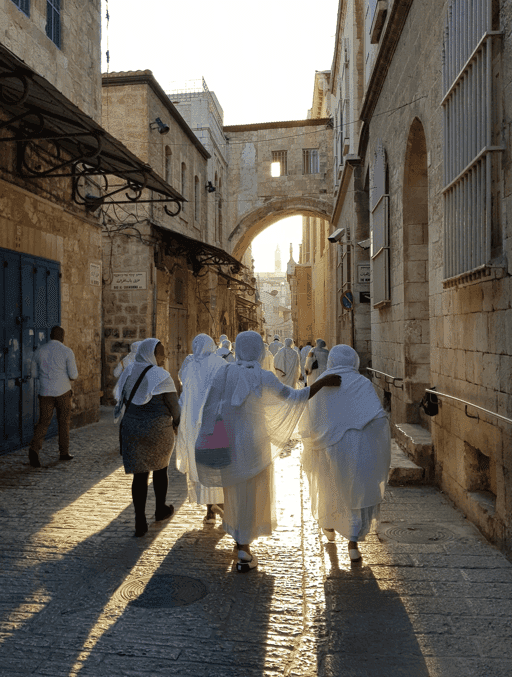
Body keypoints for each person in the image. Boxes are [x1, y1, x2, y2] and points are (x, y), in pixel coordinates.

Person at [195, 331, 341, 572]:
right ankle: (244, 548)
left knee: (234, 491)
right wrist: (321, 383)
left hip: (229, 440)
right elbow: (294, 397)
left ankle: (240, 541)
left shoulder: (224, 372)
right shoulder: (264, 377)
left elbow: (209, 407)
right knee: (252, 493)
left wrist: (206, 435)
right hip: (255, 443)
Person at [300, 345, 391, 562]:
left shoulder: (323, 381)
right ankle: (352, 545)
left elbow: (310, 417)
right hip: (359, 448)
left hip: (328, 448)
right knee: (355, 493)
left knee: (330, 488)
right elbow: (378, 417)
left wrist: (317, 437)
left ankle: (329, 526)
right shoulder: (362, 383)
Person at [114, 338, 180, 537]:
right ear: (151, 354)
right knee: (161, 469)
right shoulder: (161, 375)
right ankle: (160, 509)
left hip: (133, 428)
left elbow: (121, 397)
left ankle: (140, 520)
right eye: (161, 353)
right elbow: (174, 407)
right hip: (158, 429)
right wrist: (177, 423)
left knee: (140, 475)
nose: (164, 357)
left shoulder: (129, 371)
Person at [176, 334, 227, 523]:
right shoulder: (219, 363)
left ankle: (210, 512)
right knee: (215, 465)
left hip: (192, 423)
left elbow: (183, 386)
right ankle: (219, 507)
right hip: (214, 423)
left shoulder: (189, 365)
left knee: (199, 464)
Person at [28, 326, 78, 468]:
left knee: (43, 422)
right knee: (63, 422)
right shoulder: (67, 351)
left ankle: (34, 449)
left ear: (50, 336)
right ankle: (64, 452)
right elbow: (74, 375)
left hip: (45, 392)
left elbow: (33, 374)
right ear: (62, 337)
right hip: (63, 391)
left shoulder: (39, 351)